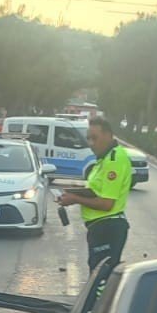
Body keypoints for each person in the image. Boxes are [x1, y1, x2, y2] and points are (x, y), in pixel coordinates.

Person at [58, 116, 133, 271]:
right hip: (100, 227)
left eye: (95, 138)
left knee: (101, 280)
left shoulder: (113, 160)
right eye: (88, 139)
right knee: (99, 275)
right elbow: (97, 190)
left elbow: (106, 203)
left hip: (108, 227)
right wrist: (76, 191)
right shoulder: (104, 159)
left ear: (108, 135)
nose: (91, 144)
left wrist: (75, 199)